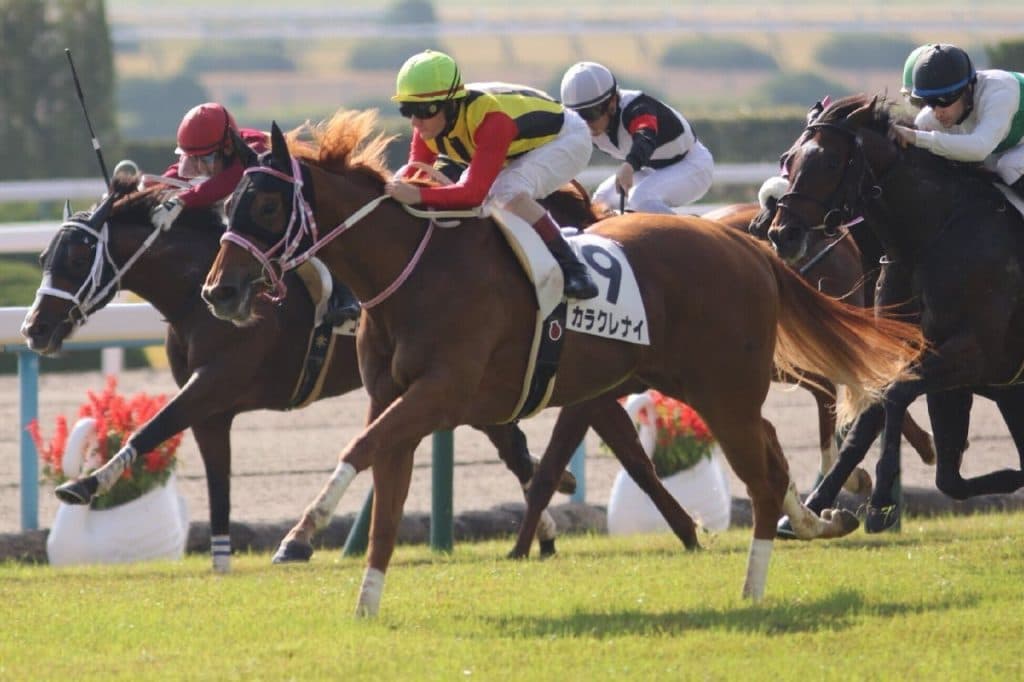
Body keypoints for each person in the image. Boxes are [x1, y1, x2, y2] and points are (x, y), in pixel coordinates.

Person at [384, 50, 598, 300]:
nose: (415, 122)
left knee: (505, 191)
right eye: (407, 110)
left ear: (451, 104)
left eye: (424, 109)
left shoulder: (491, 119)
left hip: (566, 138)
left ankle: (574, 269)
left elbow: (473, 194)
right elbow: (414, 174)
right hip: (517, 146)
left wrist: (419, 196)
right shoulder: (429, 125)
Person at [153, 102, 360, 324]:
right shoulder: (219, 145)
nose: (200, 169)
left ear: (227, 149)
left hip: (310, 207)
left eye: (206, 160)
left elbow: (228, 180)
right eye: (192, 160)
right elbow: (175, 174)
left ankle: (345, 297)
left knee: (300, 240)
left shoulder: (257, 149)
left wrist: (183, 200)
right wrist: (151, 190)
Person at [559, 61, 714, 215]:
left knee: (642, 199)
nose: (584, 124)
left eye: (590, 114)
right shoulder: (585, 125)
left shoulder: (638, 108)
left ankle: (687, 231)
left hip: (692, 165)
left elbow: (645, 137)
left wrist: (630, 166)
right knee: (601, 202)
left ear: (612, 103)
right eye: (576, 116)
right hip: (652, 169)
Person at [892, 44, 1024, 197]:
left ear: (967, 88)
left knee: (1009, 165)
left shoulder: (999, 94)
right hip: (1013, 144)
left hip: (1010, 153)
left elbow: (979, 149)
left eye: (943, 100)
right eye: (930, 102)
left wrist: (918, 138)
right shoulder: (928, 118)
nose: (937, 112)